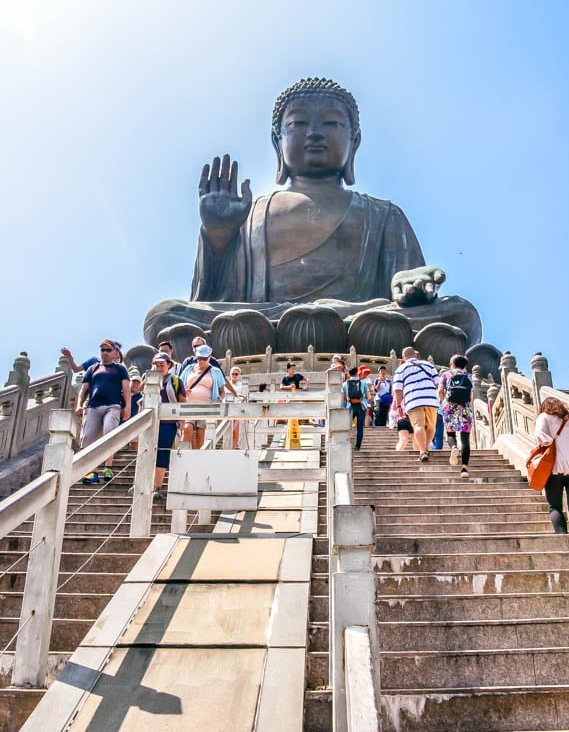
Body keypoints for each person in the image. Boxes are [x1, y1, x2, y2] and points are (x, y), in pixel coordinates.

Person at [143, 78, 482, 349]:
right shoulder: (253, 213)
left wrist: (411, 287)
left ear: (355, 141)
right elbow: (214, 300)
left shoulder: (382, 215)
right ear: (278, 143)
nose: (315, 133)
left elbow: (409, 291)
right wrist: (219, 236)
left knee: (460, 315)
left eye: (332, 123)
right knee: (164, 317)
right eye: (299, 124)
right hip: (261, 323)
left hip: (361, 320)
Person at [76, 340, 131, 484]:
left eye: (108, 350)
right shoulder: (93, 369)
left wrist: (128, 406)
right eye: (102, 350)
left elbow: (126, 389)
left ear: (115, 352)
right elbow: (83, 390)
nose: (105, 353)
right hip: (93, 406)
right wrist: (79, 405)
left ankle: (108, 467)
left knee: (109, 432)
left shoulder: (120, 369)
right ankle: (92, 472)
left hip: (112, 405)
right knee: (88, 437)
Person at [533, 397, 569, 533]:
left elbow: (538, 435)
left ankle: (563, 537)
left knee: (555, 507)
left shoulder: (544, 417)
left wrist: (550, 444)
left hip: (554, 469)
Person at [392, 346, 440, 462]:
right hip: (430, 399)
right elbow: (438, 383)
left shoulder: (401, 368)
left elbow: (398, 390)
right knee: (431, 427)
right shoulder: (428, 365)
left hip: (413, 400)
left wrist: (398, 406)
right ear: (415, 354)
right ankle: (425, 448)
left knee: (418, 426)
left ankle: (423, 451)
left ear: (403, 357)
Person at [149, 352, 186, 499]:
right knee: (147, 452)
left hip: (168, 423)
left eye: (162, 364)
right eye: (156, 364)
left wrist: (181, 421)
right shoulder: (148, 379)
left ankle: (157, 486)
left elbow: (182, 402)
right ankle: (143, 483)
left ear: (169, 365)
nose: (159, 367)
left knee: (162, 454)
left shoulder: (176, 380)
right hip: (150, 423)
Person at [180, 345, 226, 450]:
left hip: (206, 407)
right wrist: (183, 391)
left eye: (204, 358)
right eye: (199, 358)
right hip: (188, 405)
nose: (201, 361)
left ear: (210, 357)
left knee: (200, 435)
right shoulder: (188, 369)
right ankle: (182, 456)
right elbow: (179, 385)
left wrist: (219, 400)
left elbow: (222, 392)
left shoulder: (216, 371)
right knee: (187, 429)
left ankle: (196, 460)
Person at [438, 354, 474, 479]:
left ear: (452, 364)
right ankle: (464, 469)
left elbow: (440, 391)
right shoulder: (469, 377)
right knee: (465, 439)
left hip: (450, 407)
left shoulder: (446, 375)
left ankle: (453, 447)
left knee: (450, 433)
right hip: (465, 408)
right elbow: (471, 396)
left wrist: (444, 403)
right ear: (464, 365)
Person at [342, 366, 370, 450]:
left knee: (347, 426)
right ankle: (357, 446)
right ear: (357, 373)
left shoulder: (345, 384)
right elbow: (369, 397)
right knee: (360, 427)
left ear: (349, 374)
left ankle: (346, 443)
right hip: (361, 406)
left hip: (350, 406)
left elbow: (342, 398)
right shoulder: (363, 383)